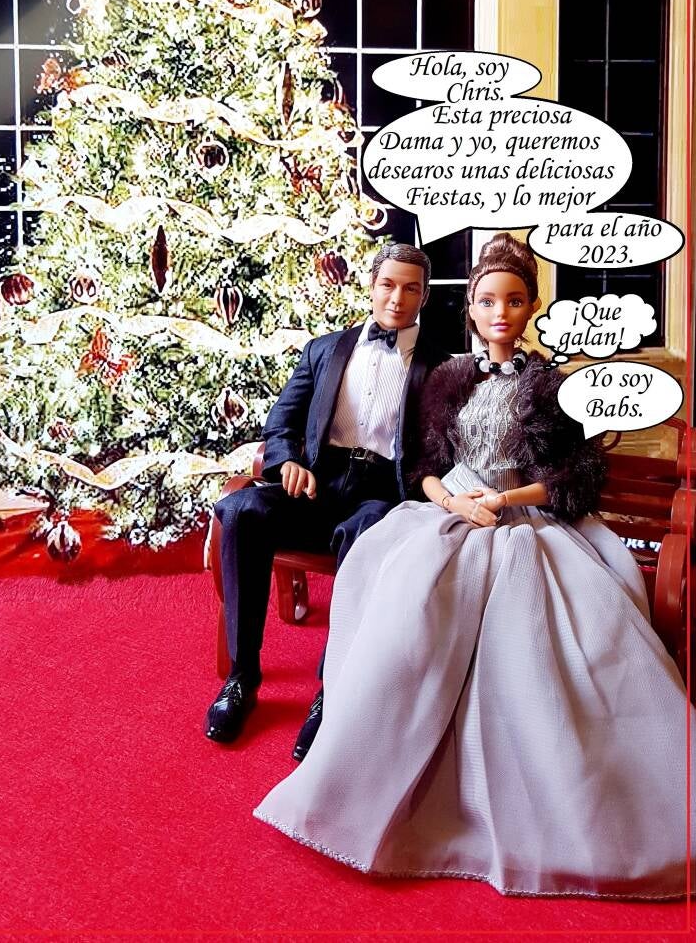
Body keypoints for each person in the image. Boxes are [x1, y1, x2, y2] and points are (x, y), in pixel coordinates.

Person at [254, 232, 694, 898]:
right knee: (403, 603)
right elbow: (425, 465)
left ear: (531, 307)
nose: (499, 313)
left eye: (513, 301)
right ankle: (353, 741)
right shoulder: (449, 377)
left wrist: (504, 498)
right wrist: (451, 499)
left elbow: (573, 477)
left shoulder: (548, 384)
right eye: (487, 301)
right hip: (450, 516)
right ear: (470, 308)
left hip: (525, 525)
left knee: (550, 639)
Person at [204, 242, 450, 750]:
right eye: (388, 285)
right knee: (245, 511)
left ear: (424, 296)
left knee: (369, 532)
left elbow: (440, 451)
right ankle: (243, 677)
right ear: (371, 286)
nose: (397, 298)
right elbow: (282, 422)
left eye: (411, 289)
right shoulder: (323, 350)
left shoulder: (440, 367)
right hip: (317, 483)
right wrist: (286, 462)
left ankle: (330, 689)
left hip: (382, 493)